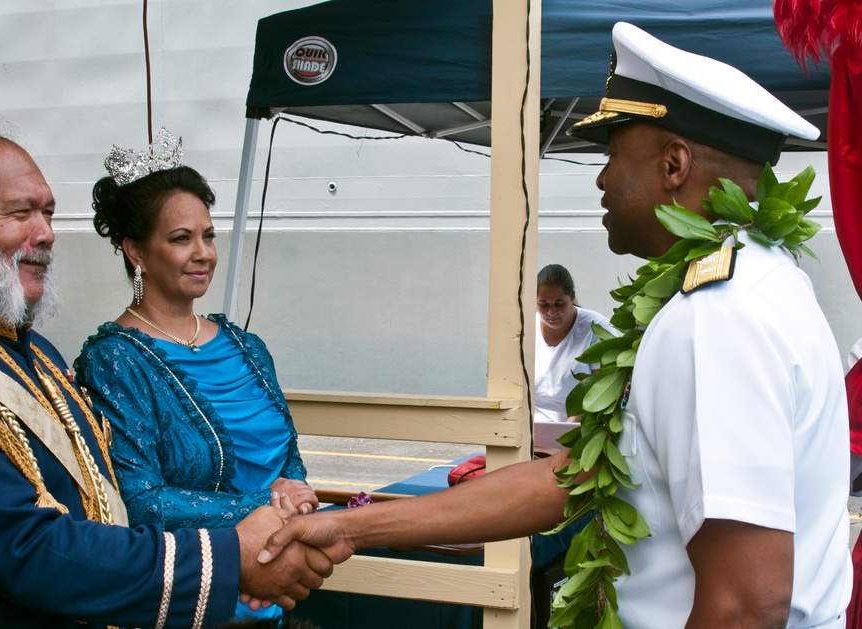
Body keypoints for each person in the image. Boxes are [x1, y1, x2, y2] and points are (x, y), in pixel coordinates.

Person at [257, 22, 851, 628]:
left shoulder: (719, 317)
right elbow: (573, 478)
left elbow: (746, 606)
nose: (601, 178)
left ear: (674, 164)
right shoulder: (759, 280)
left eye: (613, 153)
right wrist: (351, 524)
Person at [0, 109, 332, 628]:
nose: (45, 234)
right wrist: (228, 558)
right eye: (20, 213)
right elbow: (31, 552)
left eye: (47, 212)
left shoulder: (28, 348)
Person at [74, 129, 318, 622]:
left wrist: (295, 495)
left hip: (277, 596)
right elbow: (138, 501)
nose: (204, 252)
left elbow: (287, 459)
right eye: (181, 238)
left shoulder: (246, 347)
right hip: (193, 603)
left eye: (208, 234)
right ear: (136, 252)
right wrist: (263, 505)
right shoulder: (116, 361)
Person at [534, 263, 614, 422]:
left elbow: (602, 392)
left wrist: (567, 437)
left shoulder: (597, 328)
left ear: (572, 298)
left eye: (559, 304)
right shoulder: (524, 329)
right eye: (543, 305)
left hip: (579, 429)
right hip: (530, 429)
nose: (551, 312)